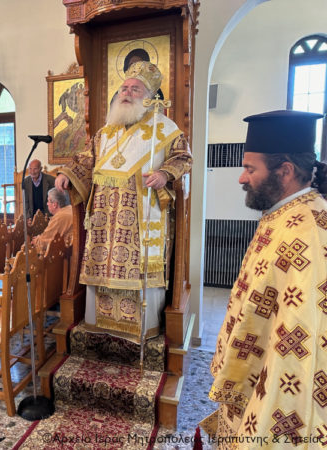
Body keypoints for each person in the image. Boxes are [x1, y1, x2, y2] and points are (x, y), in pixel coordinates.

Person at [205, 110, 327, 448]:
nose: (241, 178)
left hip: (277, 390)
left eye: (250, 168)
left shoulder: (309, 232)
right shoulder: (283, 213)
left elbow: (302, 338)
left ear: (285, 171)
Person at [55, 61, 192, 340]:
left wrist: (164, 174)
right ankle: (100, 325)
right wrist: (67, 173)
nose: (127, 93)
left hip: (141, 217)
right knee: (101, 265)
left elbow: (183, 158)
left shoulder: (165, 129)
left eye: (135, 89)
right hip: (104, 220)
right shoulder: (106, 131)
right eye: (124, 88)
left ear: (149, 97)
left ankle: (139, 329)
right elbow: (86, 160)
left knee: (137, 271)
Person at [32, 187, 73, 253]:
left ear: (54, 204)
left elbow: (44, 243)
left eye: (48, 201)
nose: (47, 204)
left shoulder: (59, 217)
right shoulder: (70, 208)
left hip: (67, 253)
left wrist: (36, 240)